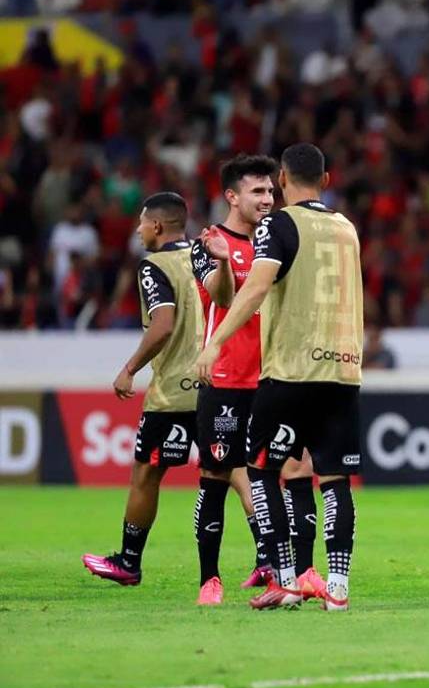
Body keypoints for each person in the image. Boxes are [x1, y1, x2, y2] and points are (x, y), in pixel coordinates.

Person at [196, 143, 364, 612]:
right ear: (326, 181)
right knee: (334, 480)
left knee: (262, 468)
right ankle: (339, 588)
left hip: (292, 370)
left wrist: (215, 341)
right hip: (343, 368)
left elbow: (255, 288)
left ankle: (288, 580)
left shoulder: (279, 224)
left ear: (285, 180)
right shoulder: (347, 228)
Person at [82, 193, 205, 586]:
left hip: (175, 391)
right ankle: (271, 560)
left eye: (141, 222)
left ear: (156, 226)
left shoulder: (154, 265)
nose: (137, 229)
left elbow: (163, 324)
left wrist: (129, 368)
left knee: (146, 472)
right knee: (234, 470)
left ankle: (129, 562)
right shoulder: (205, 256)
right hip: (218, 381)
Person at [189, 154, 279, 605]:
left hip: (271, 378)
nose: (267, 198)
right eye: (257, 192)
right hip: (224, 378)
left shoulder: (277, 240)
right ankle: (210, 579)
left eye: (270, 190)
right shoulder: (208, 242)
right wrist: (224, 262)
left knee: (270, 475)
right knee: (216, 476)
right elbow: (221, 297)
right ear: (232, 196)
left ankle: (274, 567)